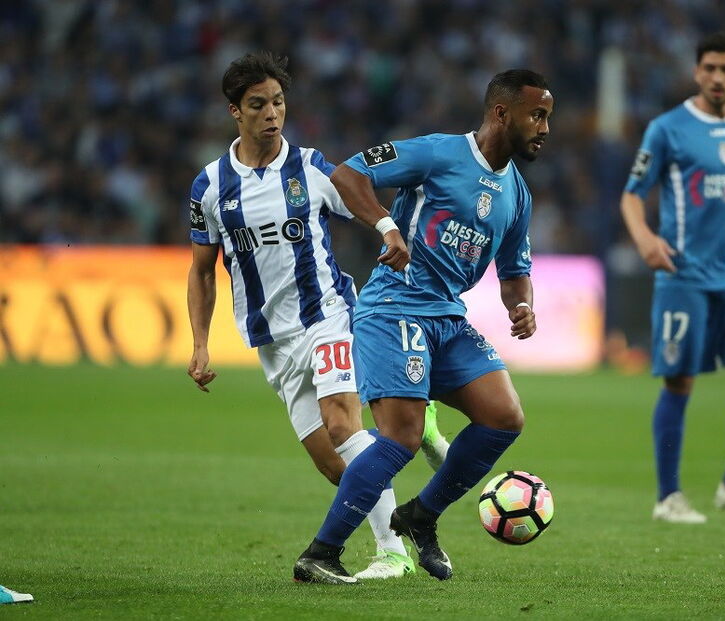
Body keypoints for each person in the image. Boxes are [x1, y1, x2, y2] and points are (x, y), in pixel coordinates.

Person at [185, 51, 448, 581]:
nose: (271, 113)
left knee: (342, 423)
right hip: (272, 342)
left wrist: (387, 229)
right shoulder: (210, 187)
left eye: (278, 102)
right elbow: (202, 271)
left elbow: (360, 194)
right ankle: (416, 421)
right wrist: (200, 343)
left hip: (327, 315)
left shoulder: (310, 167)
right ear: (234, 110)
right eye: (257, 105)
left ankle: (391, 552)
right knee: (336, 466)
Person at [289, 69, 553, 584]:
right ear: (502, 113)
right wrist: (387, 226)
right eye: (536, 115)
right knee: (401, 438)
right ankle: (321, 552)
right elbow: (347, 173)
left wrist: (523, 306)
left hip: (447, 316)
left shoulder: (518, 194)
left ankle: (420, 516)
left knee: (504, 417)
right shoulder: (437, 153)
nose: (544, 127)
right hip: (396, 307)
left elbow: (515, 272)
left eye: (547, 116)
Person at [621, 33, 725, 524]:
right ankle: (668, 497)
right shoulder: (667, 130)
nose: (718, 77)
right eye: (710, 68)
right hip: (684, 276)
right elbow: (632, 195)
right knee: (679, 381)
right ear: (697, 72)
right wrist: (645, 239)